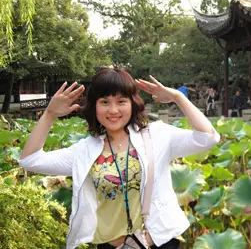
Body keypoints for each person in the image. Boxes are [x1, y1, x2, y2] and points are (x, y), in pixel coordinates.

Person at [19, 68, 220, 249]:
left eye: (121, 101)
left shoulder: (157, 136)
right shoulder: (84, 151)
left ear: (133, 104)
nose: (113, 110)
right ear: (94, 106)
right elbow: (30, 160)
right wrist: (49, 114)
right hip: (109, 246)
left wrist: (178, 97)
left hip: (156, 242)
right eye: (104, 102)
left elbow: (209, 138)